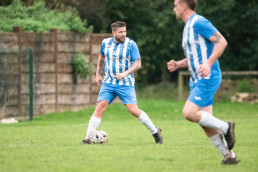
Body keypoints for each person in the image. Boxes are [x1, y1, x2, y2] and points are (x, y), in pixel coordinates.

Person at [167, 0, 239, 164]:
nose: (173, 9)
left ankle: (226, 127)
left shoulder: (199, 22)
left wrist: (208, 63)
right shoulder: (188, 27)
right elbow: (195, 56)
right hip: (197, 80)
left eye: (176, 5)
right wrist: (179, 64)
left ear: (184, 6)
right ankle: (229, 157)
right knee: (205, 122)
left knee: (189, 113)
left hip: (207, 77)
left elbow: (222, 42)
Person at [81, 21, 163, 144]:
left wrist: (125, 73)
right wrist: (98, 74)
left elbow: (138, 64)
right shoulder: (106, 43)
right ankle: (88, 138)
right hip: (108, 83)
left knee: (133, 110)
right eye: (120, 32)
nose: (123, 34)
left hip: (126, 83)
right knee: (99, 108)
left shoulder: (131, 44)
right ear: (114, 32)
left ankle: (155, 131)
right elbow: (102, 57)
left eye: (125, 31)